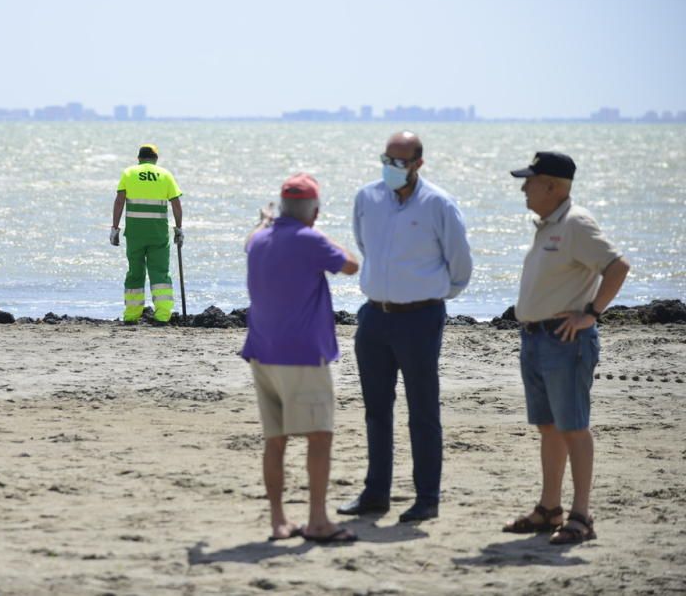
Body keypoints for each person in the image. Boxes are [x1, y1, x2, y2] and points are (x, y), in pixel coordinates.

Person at [339, 131, 472, 523]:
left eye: (399, 162)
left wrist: (426, 294)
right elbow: (365, 246)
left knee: (423, 411)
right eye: (386, 159)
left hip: (420, 318)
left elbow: (460, 265)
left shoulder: (439, 204)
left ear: (418, 164)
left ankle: (426, 498)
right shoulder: (368, 198)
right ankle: (375, 493)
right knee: (376, 410)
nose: (390, 168)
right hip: (374, 317)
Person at [503, 152, 629, 544]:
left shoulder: (575, 223)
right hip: (536, 337)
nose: (524, 187)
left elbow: (617, 266)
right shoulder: (548, 225)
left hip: (565, 340)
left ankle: (581, 516)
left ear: (553, 186)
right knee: (549, 426)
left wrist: (591, 313)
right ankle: (549, 508)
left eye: (531, 180)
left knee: (574, 427)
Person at [242, 173, 360, 543]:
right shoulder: (310, 239)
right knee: (319, 437)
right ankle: (317, 520)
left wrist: (266, 221)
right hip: (302, 356)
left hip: (262, 350)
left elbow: (250, 239)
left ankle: (278, 520)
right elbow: (351, 264)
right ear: (314, 211)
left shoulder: (259, 239)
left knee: (275, 440)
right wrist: (318, 232)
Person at [110, 144, 184, 325]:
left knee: (135, 273)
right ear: (156, 159)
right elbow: (176, 204)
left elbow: (119, 201)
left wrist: (114, 228)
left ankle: (131, 316)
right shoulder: (165, 175)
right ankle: (162, 316)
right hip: (158, 234)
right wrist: (179, 229)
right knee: (160, 274)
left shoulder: (128, 173)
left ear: (139, 158)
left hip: (135, 233)